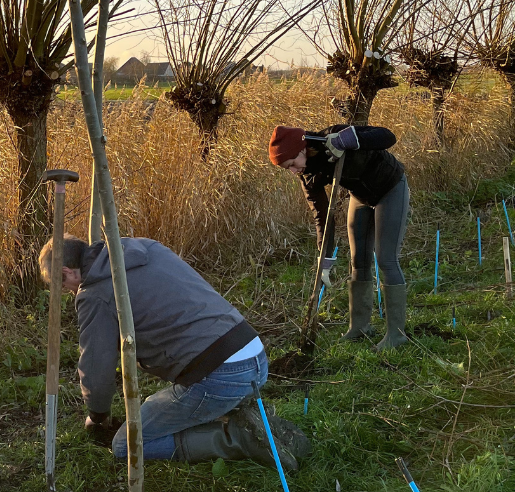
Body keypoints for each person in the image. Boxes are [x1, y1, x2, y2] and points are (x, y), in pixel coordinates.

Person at [39, 235, 311, 470]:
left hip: (220, 374)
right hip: (253, 353)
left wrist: (97, 416)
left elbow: (97, 366)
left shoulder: (95, 294)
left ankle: (238, 437)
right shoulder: (141, 247)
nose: (68, 292)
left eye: (63, 286)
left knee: (125, 446)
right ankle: (236, 409)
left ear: (67, 272)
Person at [269, 125, 410, 350]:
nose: (294, 171)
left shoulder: (333, 137)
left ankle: (396, 335)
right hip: (361, 197)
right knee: (358, 261)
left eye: (292, 164)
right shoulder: (308, 175)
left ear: (302, 149)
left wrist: (349, 139)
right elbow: (322, 217)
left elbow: (388, 136)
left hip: (389, 187)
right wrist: (324, 260)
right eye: (288, 169)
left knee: (386, 259)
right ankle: (360, 327)